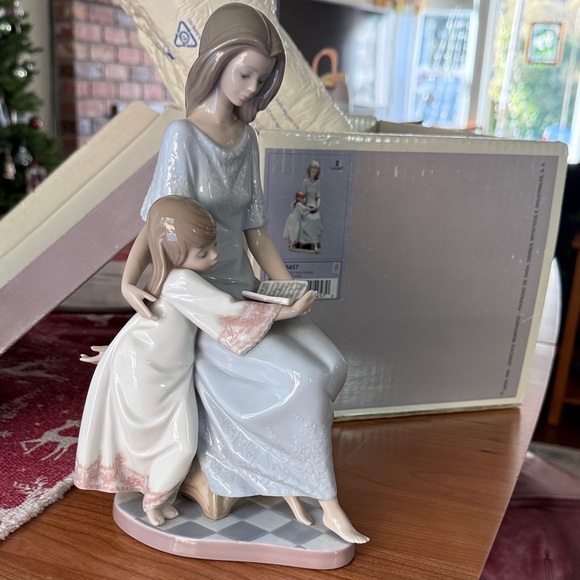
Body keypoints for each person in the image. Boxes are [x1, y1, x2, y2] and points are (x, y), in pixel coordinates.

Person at [121, 3, 368, 544]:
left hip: (250, 293)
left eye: (262, 78)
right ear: (217, 62)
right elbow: (158, 219)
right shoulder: (183, 137)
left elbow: (257, 232)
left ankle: (277, 468)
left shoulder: (247, 139)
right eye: (245, 74)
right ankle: (326, 502)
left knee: (331, 364)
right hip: (208, 307)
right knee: (302, 380)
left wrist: (287, 287)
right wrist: (129, 278)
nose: (253, 88)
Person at [74, 196, 316, 528]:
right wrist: (288, 310)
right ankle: (154, 500)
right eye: (203, 253)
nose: (215, 256)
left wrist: (114, 350)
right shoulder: (182, 282)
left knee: (172, 440)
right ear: (173, 254)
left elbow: (146, 323)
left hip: (161, 370)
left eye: (213, 246)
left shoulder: (171, 279)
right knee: (180, 442)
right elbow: (228, 313)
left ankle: (156, 497)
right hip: (150, 373)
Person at [297, 160, 323, 252]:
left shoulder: (318, 183)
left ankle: (314, 243)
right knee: (307, 218)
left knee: (316, 219)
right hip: (306, 204)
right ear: (309, 171)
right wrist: (300, 203)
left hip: (314, 206)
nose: (314, 173)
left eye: (316, 172)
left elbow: (318, 196)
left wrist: (317, 205)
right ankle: (304, 242)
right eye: (312, 171)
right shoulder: (305, 182)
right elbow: (302, 195)